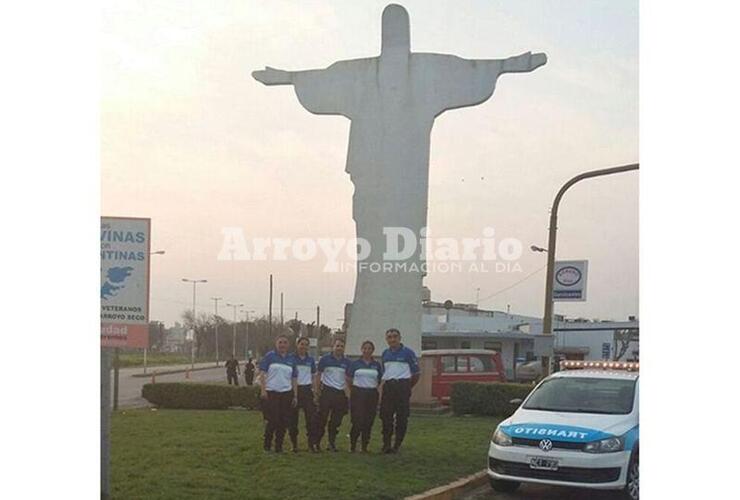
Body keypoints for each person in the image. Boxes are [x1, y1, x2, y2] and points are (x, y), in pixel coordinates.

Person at [379, 328, 419, 454]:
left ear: (399, 338)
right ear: (386, 340)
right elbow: (384, 372)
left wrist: (407, 386)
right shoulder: (385, 353)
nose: (392, 339)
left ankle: (397, 445)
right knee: (386, 417)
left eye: (395, 336)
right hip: (389, 387)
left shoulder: (408, 353)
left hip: (403, 386)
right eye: (389, 337)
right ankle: (386, 444)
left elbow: (416, 374)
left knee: (402, 417)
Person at [258, 336, 298, 452]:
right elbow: (262, 373)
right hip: (272, 393)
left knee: (283, 421)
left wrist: (295, 395)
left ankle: (278, 447)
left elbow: (294, 378)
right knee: (273, 420)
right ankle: (267, 445)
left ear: (288, 345)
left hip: (286, 393)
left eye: (285, 343)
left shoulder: (291, 359)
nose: (282, 345)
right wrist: (263, 390)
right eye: (280, 342)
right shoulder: (270, 356)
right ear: (276, 344)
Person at [315, 338, 351, 452]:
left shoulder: (347, 362)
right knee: (322, 419)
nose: (339, 348)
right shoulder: (325, 359)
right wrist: (317, 390)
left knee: (336, 421)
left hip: (340, 394)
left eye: (341, 346)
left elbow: (347, 379)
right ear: (333, 346)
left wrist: (348, 395)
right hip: (327, 392)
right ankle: (317, 442)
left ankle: (331, 443)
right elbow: (318, 375)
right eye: (337, 346)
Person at [347, 340, 383, 453]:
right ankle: (353, 445)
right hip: (358, 394)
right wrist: (354, 390)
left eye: (369, 348)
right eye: (365, 348)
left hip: (371, 395)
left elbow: (380, 380)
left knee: (368, 421)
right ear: (361, 349)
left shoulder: (376, 365)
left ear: (373, 350)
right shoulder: (355, 364)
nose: (367, 350)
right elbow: (349, 379)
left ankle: (364, 446)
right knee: (357, 420)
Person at [287, 337, 319, 453]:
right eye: (301, 344)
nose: (303, 347)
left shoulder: (310, 360)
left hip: (307, 391)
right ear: (297, 345)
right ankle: (294, 444)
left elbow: (314, 376)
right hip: (294, 390)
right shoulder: (290, 358)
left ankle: (311, 445)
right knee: (293, 420)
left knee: (311, 419)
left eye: (306, 345)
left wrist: (315, 392)